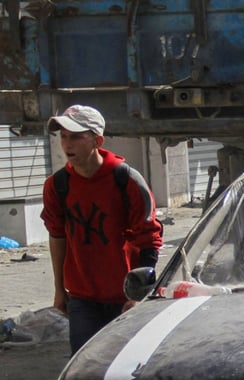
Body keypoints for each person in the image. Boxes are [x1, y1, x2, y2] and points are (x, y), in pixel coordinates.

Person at [41, 105, 163, 353]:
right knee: (85, 368)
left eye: (76, 136)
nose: (67, 144)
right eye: (63, 136)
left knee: (126, 367)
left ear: (97, 140)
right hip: (82, 299)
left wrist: (139, 294)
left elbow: (149, 239)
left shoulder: (126, 180)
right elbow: (57, 235)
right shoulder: (58, 185)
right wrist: (59, 289)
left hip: (124, 298)